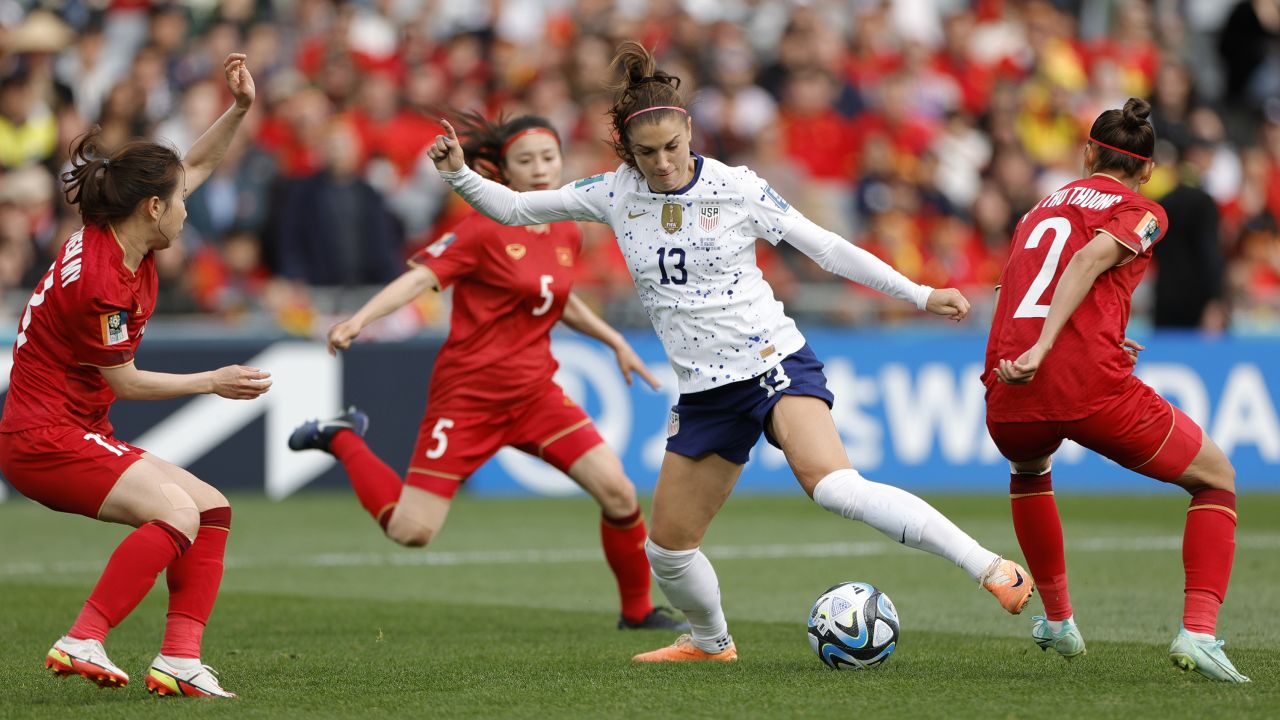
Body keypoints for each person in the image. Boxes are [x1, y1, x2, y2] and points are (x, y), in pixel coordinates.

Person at [428, 42, 1035, 663]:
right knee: (666, 549)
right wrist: (456, 173)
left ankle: (988, 566)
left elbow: (826, 248)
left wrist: (919, 291)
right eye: (646, 154)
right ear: (626, 151)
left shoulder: (736, 187)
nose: (663, 164)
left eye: (672, 147)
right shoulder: (612, 193)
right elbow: (514, 207)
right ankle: (712, 644)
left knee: (833, 486)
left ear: (689, 129)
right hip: (705, 393)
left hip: (771, 362)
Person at [288, 111, 689, 632]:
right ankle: (344, 439)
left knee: (618, 491)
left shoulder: (567, 228)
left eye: (549, 157)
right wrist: (360, 320)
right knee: (412, 532)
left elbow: (556, 297)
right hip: (468, 398)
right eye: (527, 160)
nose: (542, 169)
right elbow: (418, 281)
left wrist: (614, 340)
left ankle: (637, 612)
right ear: (502, 173)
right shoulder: (480, 229)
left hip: (534, 395)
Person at [0, 54, 268, 698]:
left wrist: (238, 111)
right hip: (45, 438)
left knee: (211, 508)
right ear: (152, 208)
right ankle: (83, 637)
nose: (186, 212)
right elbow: (127, 384)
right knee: (177, 513)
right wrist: (215, 380)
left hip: (69, 428)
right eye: (178, 205)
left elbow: (194, 166)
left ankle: (179, 658)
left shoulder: (119, 233)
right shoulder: (102, 282)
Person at [985, 98, 1248, 682]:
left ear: (1088, 154)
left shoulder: (1038, 208)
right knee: (1216, 479)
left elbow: (1020, 286)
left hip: (1009, 395)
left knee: (1029, 472)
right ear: (1149, 169)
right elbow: (1084, 262)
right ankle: (1199, 633)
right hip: (1081, 386)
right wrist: (1053, 346)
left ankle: (1058, 622)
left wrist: (1086, 337)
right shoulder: (1145, 211)